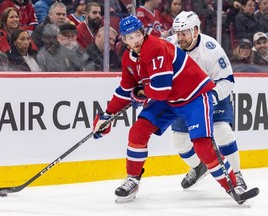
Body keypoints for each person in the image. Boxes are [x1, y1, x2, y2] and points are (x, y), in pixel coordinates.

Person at [92, 15, 249, 205]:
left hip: (195, 97)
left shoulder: (157, 48)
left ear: (142, 33)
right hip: (169, 100)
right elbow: (125, 89)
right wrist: (107, 115)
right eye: (129, 37)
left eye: (137, 35)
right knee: (138, 132)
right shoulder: (129, 58)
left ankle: (233, 184)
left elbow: (159, 90)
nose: (135, 41)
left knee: (203, 144)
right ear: (124, 40)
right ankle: (132, 179)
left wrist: (140, 92)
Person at [164, 11, 247, 190]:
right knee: (180, 140)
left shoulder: (211, 49)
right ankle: (199, 166)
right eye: (177, 33)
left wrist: (213, 97)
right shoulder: (169, 45)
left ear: (195, 31)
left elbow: (227, 81)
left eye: (184, 33)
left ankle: (237, 175)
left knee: (222, 131)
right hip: (186, 98)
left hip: (213, 94)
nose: (180, 38)